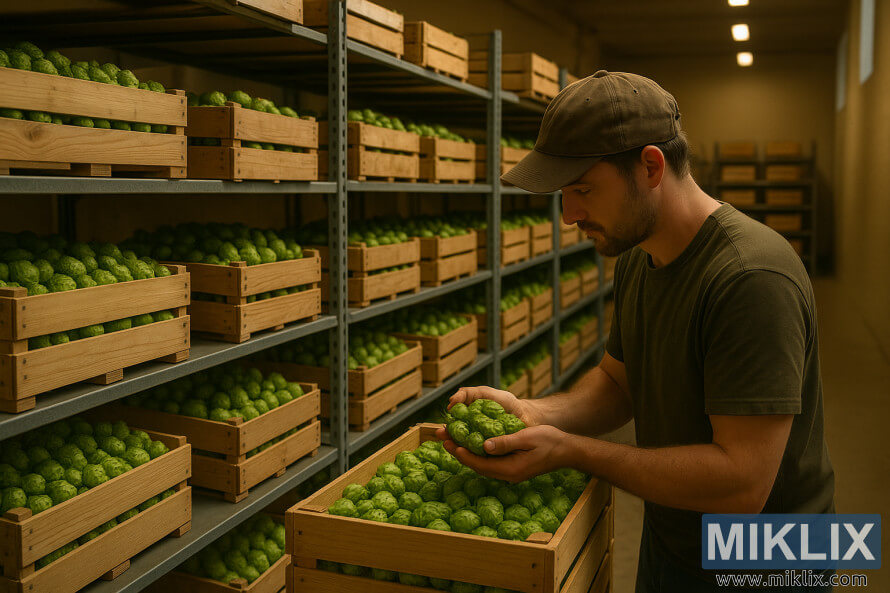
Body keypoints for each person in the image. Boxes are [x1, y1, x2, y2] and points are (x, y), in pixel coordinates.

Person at [436, 71, 835, 592]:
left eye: (583, 189)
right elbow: (618, 384)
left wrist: (572, 450)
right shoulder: (639, 257)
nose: (569, 215)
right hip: (677, 531)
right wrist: (533, 413)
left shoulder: (751, 277)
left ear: (650, 166)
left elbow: (742, 486)